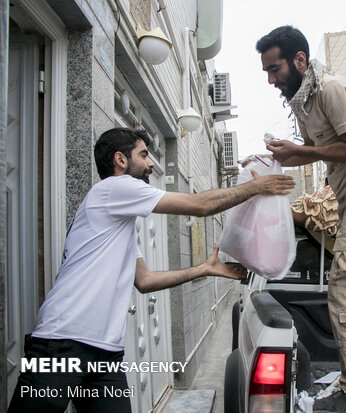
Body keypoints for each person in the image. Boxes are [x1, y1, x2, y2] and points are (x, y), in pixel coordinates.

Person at [8, 128, 295, 413]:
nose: (151, 164)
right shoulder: (113, 188)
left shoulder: (119, 224)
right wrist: (255, 187)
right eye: (144, 155)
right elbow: (201, 205)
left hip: (105, 354)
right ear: (120, 160)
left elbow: (143, 281)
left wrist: (204, 269)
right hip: (61, 343)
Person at [256, 26, 346, 412]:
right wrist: (284, 156)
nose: (271, 80)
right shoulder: (301, 100)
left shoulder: (332, 89)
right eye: (267, 72)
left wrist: (303, 151)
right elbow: (317, 151)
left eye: (275, 69)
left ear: (300, 60)